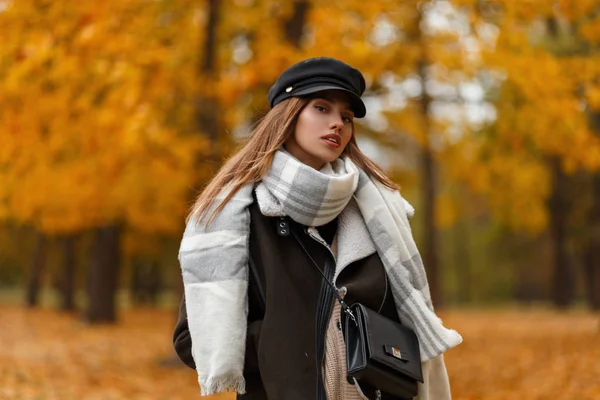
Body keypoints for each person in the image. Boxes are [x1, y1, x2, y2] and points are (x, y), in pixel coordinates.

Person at [173, 57, 462, 400]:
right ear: (289, 115)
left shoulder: (378, 212)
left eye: (346, 117)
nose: (337, 123)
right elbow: (192, 338)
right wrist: (282, 343)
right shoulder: (236, 216)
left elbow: (401, 317)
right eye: (321, 108)